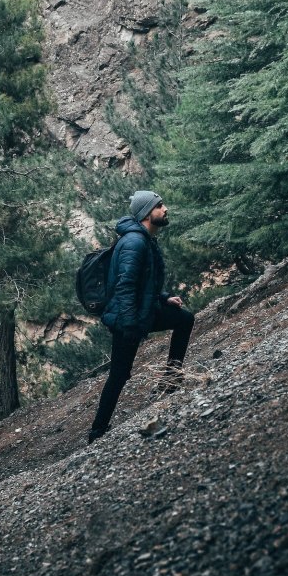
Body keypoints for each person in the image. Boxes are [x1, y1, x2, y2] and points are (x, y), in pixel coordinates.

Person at [88, 190, 194, 443]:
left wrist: (163, 298)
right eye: (160, 205)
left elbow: (145, 283)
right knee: (119, 374)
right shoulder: (135, 243)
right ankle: (97, 432)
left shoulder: (145, 239)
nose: (165, 209)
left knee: (184, 319)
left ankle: (171, 380)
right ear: (148, 213)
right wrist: (130, 325)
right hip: (128, 319)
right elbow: (125, 286)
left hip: (143, 311)